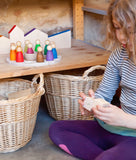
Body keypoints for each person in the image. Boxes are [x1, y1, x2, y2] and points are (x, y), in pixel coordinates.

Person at [49, 0, 136, 159]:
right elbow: (104, 95)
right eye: (117, 27)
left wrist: (125, 119)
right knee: (57, 128)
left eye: (129, 30)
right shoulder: (119, 56)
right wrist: (94, 104)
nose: (121, 37)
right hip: (115, 129)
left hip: (132, 132)